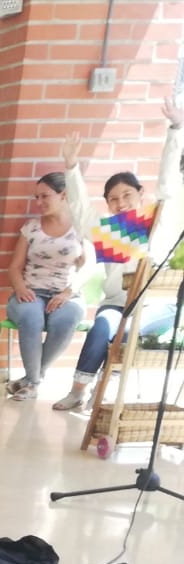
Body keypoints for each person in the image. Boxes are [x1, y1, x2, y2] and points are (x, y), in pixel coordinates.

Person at [52, 98, 183, 411]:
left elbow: (168, 186)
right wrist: (71, 167)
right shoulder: (112, 233)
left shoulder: (157, 227)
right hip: (116, 305)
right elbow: (83, 214)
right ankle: (80, 390)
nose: (121, 202)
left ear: (140, 195)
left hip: (154, 306)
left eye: (127, 195)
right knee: (103, 326)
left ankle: (107, 383)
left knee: (123, 328)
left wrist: (176, 129)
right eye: (113, 199)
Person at [3, 172, 86, 402]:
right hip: (31, 290)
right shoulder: (31, 228)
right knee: (31, 318)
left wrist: (68, 292)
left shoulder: (81, 227)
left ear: (64, 195)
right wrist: (20, 288)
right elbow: (14, 267)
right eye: (36, 197)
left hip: (68, 293)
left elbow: (90, 267)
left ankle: (31, 379)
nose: (38, 203)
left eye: (44, 196)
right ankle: (33, 381)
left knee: (65, 320)